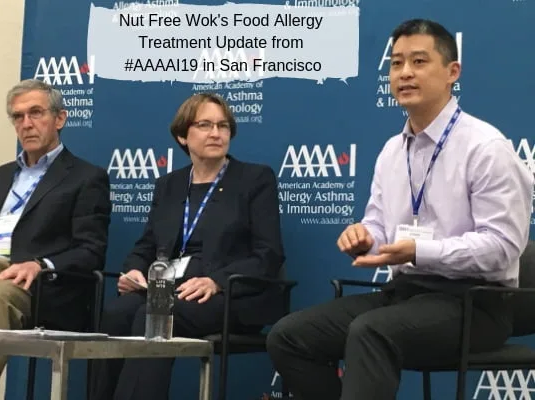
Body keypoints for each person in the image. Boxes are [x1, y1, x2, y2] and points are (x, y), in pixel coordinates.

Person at [266, 18, 534, 400]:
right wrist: (365, 236)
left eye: (419, 61)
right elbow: (378, 223)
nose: (405, 72)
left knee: (372, 331)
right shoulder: (393, 150)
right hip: (406, 293)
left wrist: (421, 250)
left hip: (477, 303)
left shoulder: (485, 148)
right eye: (396, 63)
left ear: (452, 72)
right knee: (289, 337)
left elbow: (503, 247)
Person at [92, 92, 285, 400]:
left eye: (223, 126)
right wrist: (133, 271)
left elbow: (269, 254)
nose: (216, 133)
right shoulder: (169, 184)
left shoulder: (254, 179)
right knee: (116, 314)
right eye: (205, 125)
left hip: (229, 295)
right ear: (183, 136)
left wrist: (216, 282)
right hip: (169, 288)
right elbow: (146, 245)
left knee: (154, 315)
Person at [0, 79, 112, 400]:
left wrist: (40, 264)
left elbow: (91, 251)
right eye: (18, 116)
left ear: (59, 119)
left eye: (35, 113)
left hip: (32, 287)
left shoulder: (86, 178)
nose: (26, 124)